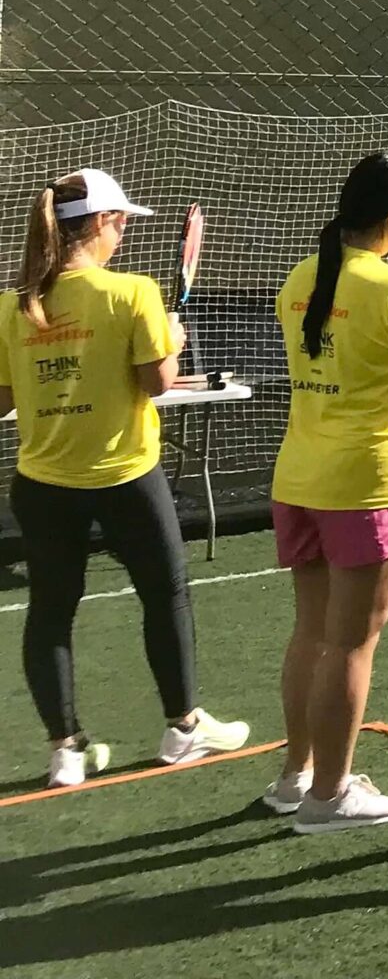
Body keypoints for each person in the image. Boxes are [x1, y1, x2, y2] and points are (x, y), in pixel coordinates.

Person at [1, 169, 250, 788]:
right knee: (167, 594)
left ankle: (65, 751)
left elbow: (3, 396)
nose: (124, 235)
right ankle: (183, 728)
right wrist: (174, 339)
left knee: (50, 612)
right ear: (103, 223)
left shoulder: (12, 306)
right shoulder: (132, 293)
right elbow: (156, 382)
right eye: (121, 224)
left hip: (41, 482)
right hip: (124, 477)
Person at [266, 154, 388, 831]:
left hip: (300, 477)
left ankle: (297, 777)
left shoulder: (299, 278)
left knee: (311, 634)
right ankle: (330, 795)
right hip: (367, 484)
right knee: (351, 644)